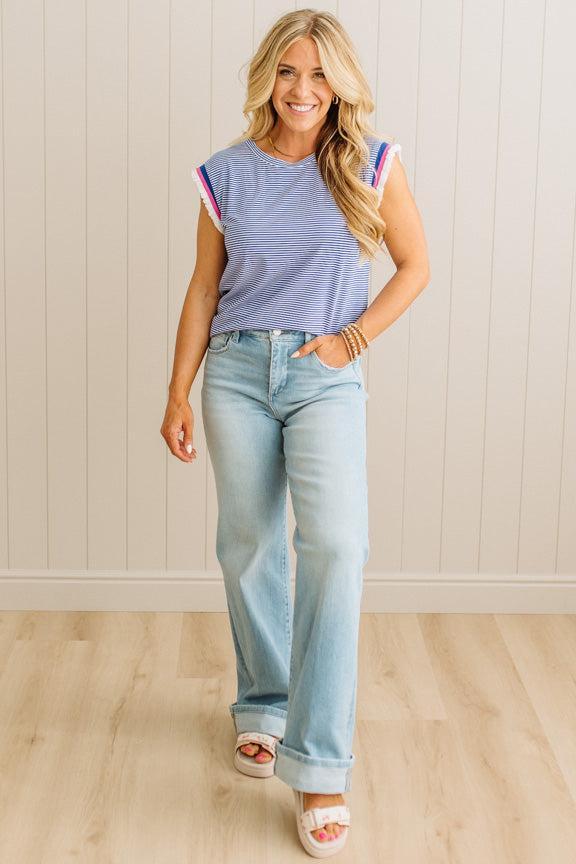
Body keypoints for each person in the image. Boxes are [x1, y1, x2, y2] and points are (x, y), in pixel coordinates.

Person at [161, 8, 430, 858]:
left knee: (338, 547)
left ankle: (320, 764)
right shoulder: (227, 173)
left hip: (325, 378)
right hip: (237, 372)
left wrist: (352, 341)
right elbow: (204, 290)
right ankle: (263, 708)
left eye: (318, 75)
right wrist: (177, 391)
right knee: (248, 545)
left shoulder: (370, 165)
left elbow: (415, 266)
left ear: (339, 82)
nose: (302, 91)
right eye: (287, 72)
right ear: (266, 79)